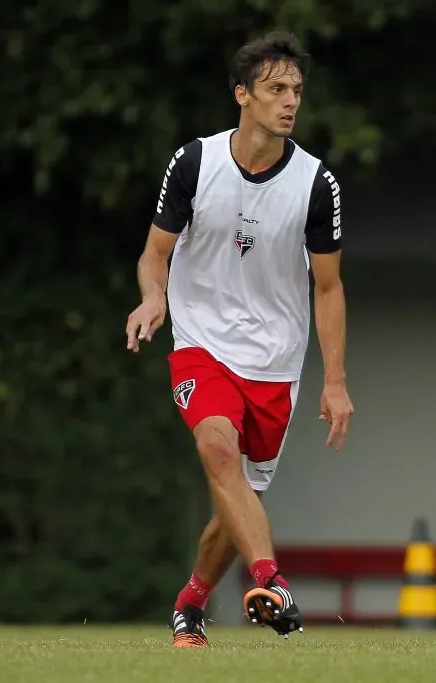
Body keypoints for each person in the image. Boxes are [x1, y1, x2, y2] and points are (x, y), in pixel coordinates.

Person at [124, 32, 354, 648]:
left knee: (237, 504)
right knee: (217, 450)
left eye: (297, 91)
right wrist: (155, 296)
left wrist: (334, 381)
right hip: (201, 341)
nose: (290, 102)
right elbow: (155, 254)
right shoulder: (196, 163)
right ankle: (272, 581)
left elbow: (328, 290)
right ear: (242, 94)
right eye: (276, 89)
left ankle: (190, 604)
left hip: (275, 360)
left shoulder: (316, 184)